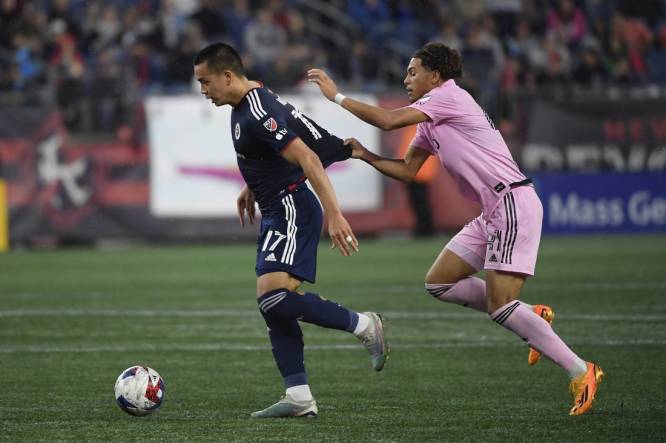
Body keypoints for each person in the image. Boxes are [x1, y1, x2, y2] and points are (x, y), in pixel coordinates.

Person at [307, 42, 603, 416]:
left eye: (413, 72)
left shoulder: (449, 97)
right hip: (491, 211)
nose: (406, 79)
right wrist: (367, 155)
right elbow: (408, 171)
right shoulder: (431, 121)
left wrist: (337, 97)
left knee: (499, 305)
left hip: (512, 203)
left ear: (435, 75)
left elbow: (386, 120)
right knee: (439, 282)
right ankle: (530, 314)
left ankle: (581, 370)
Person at [193, 42, 388, 419]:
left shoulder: (256, 110)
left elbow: (308, 158)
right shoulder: (250, 97)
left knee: (273, 298)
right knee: (273, 306)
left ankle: (365, 325)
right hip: (274, 206)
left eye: (206, 81)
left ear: (227, 76)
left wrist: (335, 214)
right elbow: (270, 149)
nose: (203, 90)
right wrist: (252, 185)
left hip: (291, 206)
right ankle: (298, 395)